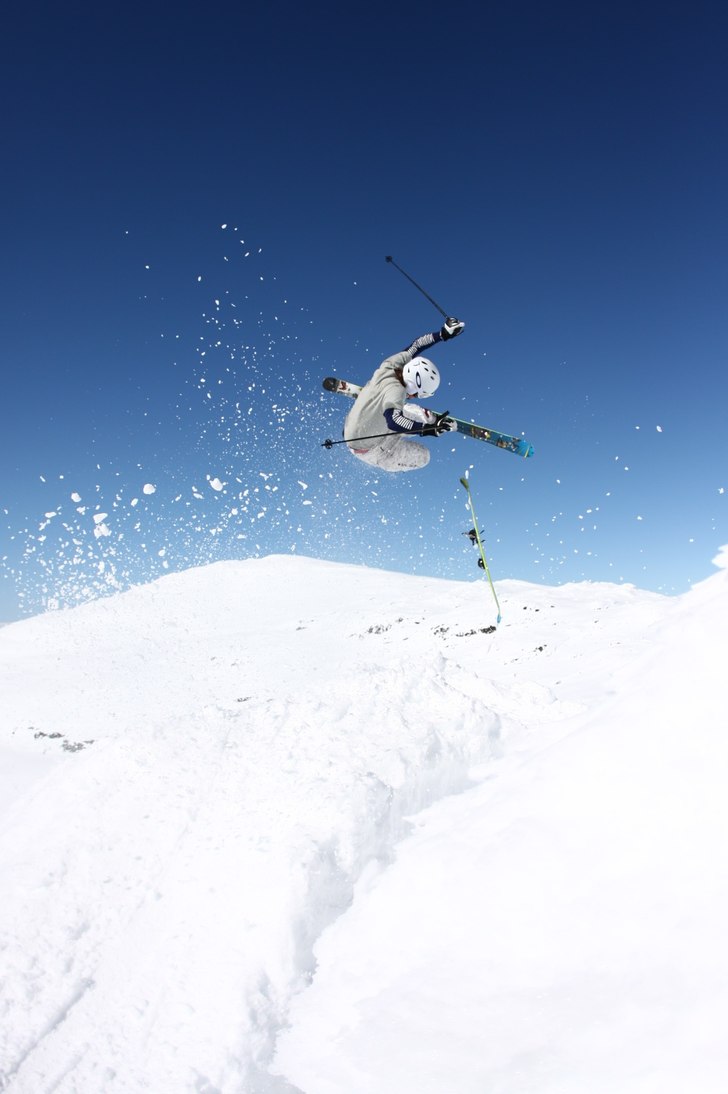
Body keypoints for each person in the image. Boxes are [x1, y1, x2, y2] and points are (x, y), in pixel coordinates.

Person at [344, 317, 465, 472]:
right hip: (373, 449)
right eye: (416, 394)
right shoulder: (396, 391)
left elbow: (417, 345)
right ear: (413, 385)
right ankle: (423, 421)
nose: (413, 396)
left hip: (356, 429)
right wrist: (427, 429)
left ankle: (425, 418)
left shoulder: (391, 365)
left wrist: (443, 334)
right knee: (423, 456)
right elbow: (394, 421)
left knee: (405, 412)